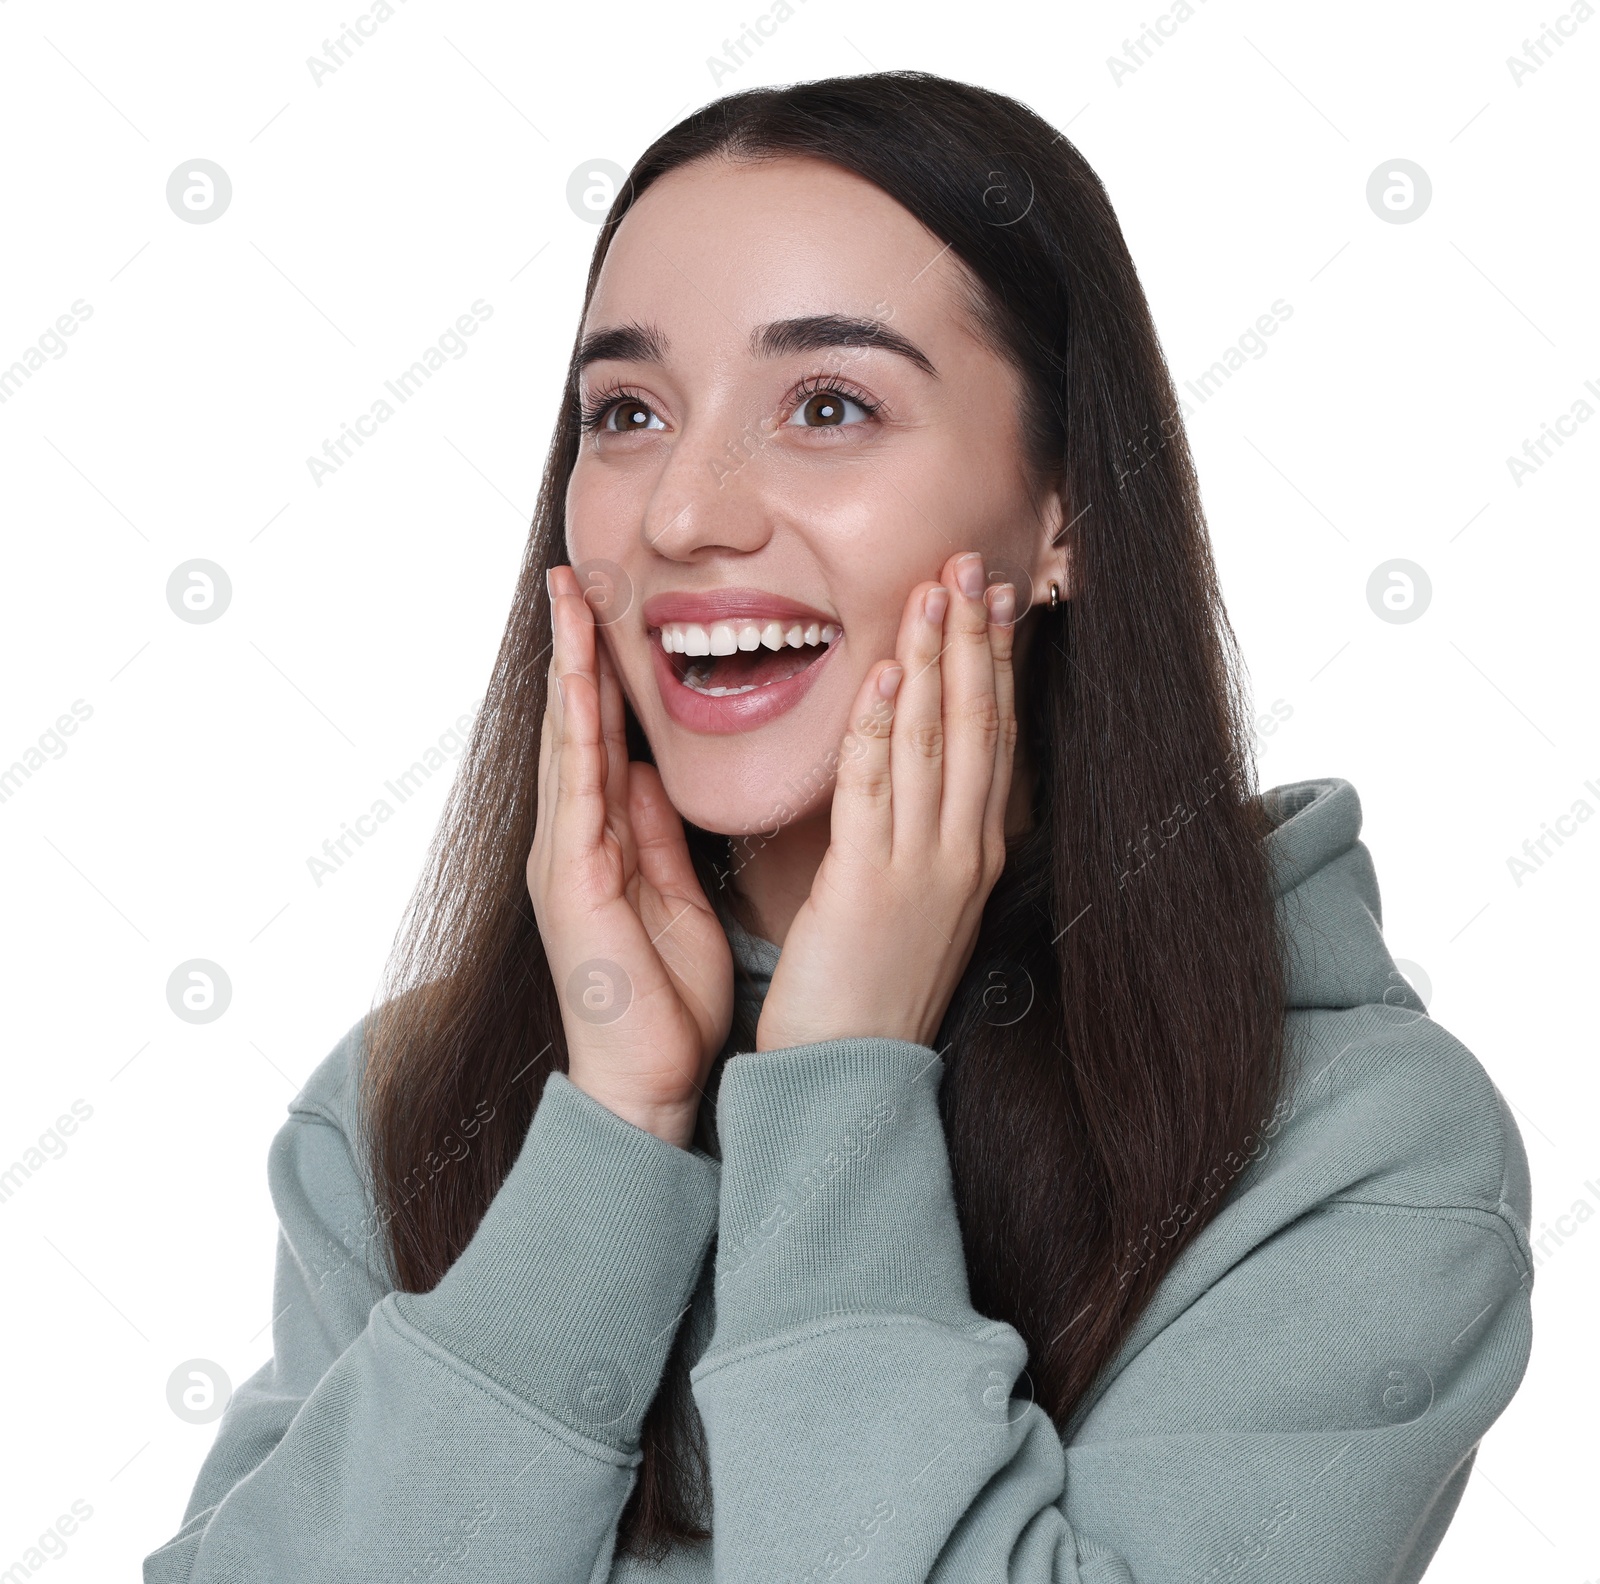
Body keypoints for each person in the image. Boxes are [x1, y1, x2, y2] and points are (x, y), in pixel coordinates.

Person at [146, 72, 1532, 1583]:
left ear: (1063, 510)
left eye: (828, 406)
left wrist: (838, 1089)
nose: (683, 510)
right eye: (626, 413)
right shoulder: (411, 1109)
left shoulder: (1357, 1147)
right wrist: (612, 1143)